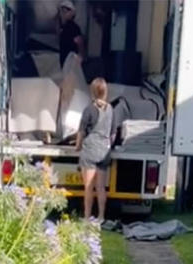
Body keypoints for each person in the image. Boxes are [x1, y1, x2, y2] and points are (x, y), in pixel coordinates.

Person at [76, 77, 113, 223]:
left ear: (92, 92)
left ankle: (87, 216)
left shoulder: (89, 109)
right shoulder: (110, 109)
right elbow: (113, 131)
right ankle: (102, 216)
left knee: (89, 187)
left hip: (90, 150)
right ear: (105, 92)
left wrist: (77, 146)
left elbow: (81, 131)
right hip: (104, 151)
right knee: (101, 187)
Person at [57, 0, 84, 67]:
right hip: (64, 58)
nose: (64, 14)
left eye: (66, 11)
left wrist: (80, 56)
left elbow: (79, 42)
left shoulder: (74, 27)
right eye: (62, 12)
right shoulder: (62, 27)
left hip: (72, 59)